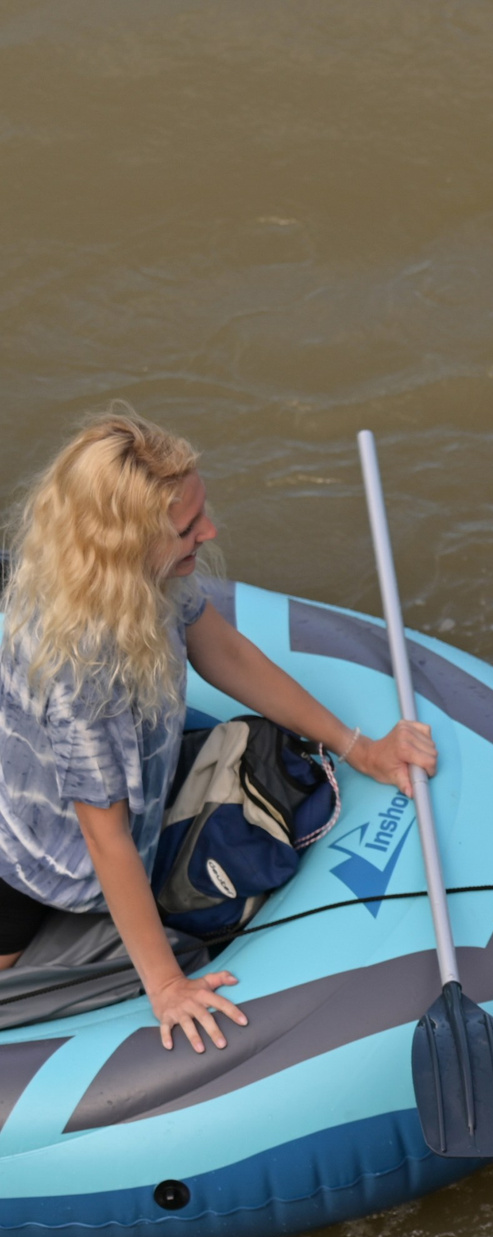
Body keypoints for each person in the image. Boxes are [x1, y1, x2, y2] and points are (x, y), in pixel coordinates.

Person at [0, 411, 438, 1052]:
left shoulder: (142, 581)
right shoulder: (82, 672)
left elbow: (222, 653)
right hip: (26, 859)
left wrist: (361, 749)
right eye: (186, 529)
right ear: (125, 546)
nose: (209, 531)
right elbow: (106, 836)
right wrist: (166, 985)